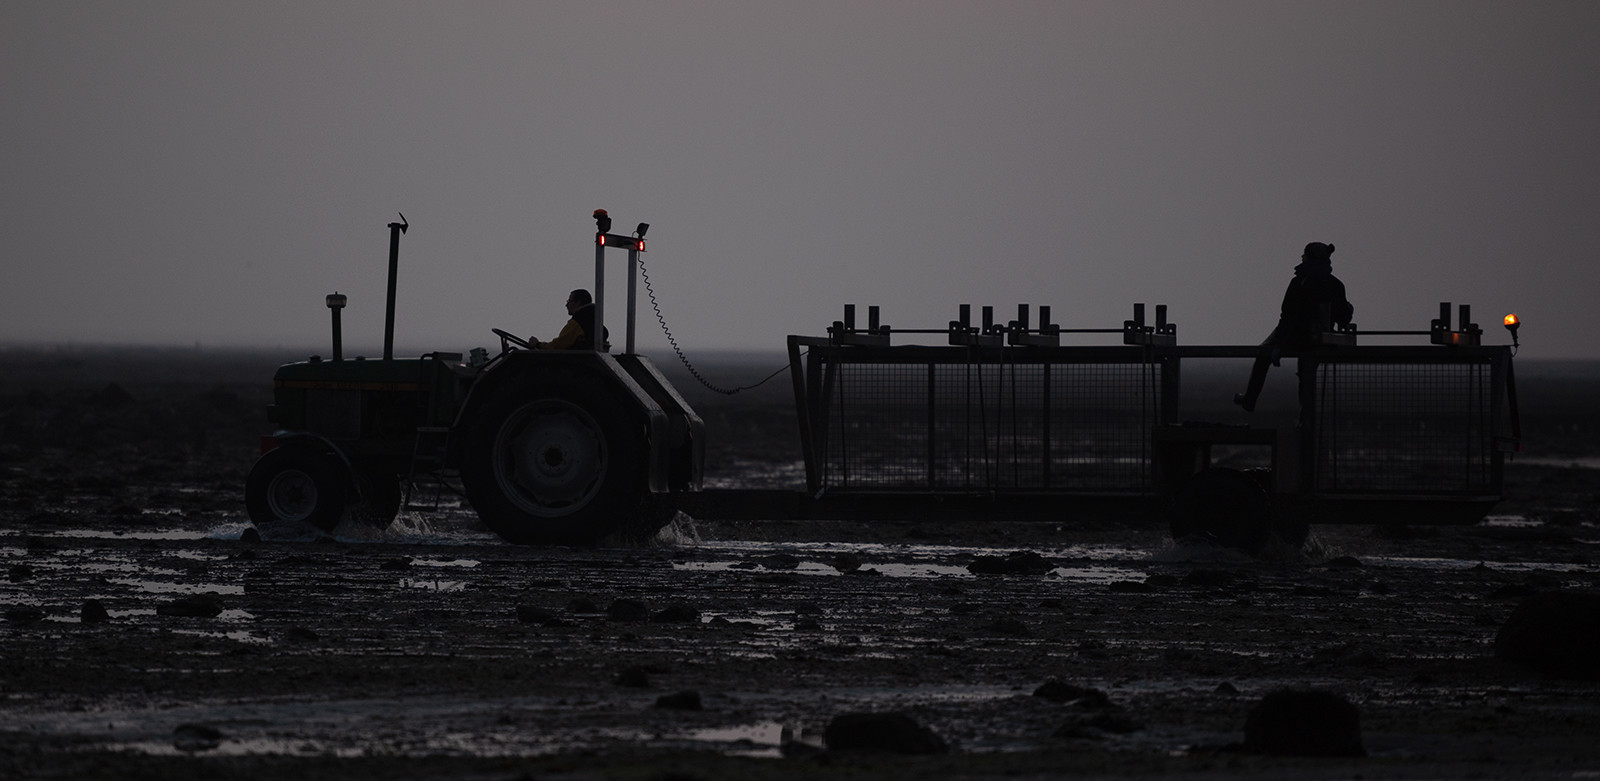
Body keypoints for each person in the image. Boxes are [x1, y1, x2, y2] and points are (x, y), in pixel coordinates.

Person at [1234, 242, 1353, 413]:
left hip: (1296, 336)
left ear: (1309, 258)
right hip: (1321, 339)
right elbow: (1343, 317)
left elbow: (1287, 314)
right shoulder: (1335, 285)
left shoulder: (1300, 282)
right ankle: (1305, 417)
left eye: (1304, 255)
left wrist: (1279, 342)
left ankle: (1250, 399)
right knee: (1306, 376)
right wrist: (1347, 312)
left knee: (1262, 356)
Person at [529, 289, 609, 351]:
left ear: (578, 302)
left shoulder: (578, 322)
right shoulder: (594, 321)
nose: (566, 305)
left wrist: (538, 344)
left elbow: (558, 345)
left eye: (569, 301)